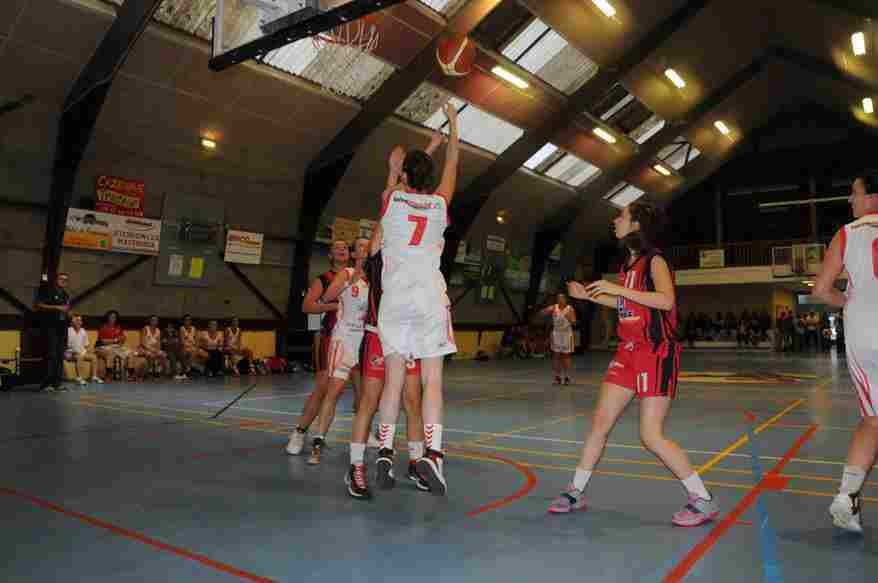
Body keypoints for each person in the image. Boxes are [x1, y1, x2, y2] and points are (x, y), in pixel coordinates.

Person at [549, 200, 719, 527]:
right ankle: (575, 491)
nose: (615, 220)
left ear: (637, 224)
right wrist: (588, 296)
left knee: (650, 435)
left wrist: (614, 288)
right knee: (600, 422)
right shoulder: (628, 264)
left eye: (622, 216)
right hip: (627, 351)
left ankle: (703, 499)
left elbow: (665, 301)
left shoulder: (655, 261)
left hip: (656, 352)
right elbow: (627, 305)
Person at [375, 103, 459, 496]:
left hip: (395, 299)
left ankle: (384, 452)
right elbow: (451, 165)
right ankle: (434, 455)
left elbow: (401, 179)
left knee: (393, 381)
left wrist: (399, 165)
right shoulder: (440, 203)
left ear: (404, 176)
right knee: (432, 380)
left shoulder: (391, 199)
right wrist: (452, 129)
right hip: (429, 298)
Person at [813, 174, 878, 533]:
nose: (850, 200)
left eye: (855, 194)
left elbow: (822, 290)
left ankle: (847, 497)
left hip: (864, 334)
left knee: (873, 419)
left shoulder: (847, 233)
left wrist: (850, 302)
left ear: (873, 197)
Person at [304, 237, 373, 465]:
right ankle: (318, 442)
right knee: (333, 391)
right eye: (361, 245)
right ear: (354, 254)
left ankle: (362, 441)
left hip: (365, 341)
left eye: (368, 245)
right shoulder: (346, 273)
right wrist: (348, 282)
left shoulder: (375, 278)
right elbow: (326, 297)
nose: (365, 248)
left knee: (366, 395)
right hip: (344, 340)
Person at [285, 240, 350, 454]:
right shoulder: (324, 279)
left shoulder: (357, 278)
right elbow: (307, 306)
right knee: (323, 388)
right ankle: (299, 432)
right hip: (331, 337)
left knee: (365, 389)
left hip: (355, 339)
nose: (342, 249)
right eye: (337, 248)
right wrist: (336, 306)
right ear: (330, 256)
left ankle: (365, 433)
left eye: (345, 247)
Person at [35, 272, 72, 392]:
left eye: (66, 280)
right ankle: (46, 384)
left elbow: (66, 308)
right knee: (51, 355)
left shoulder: (65, 295)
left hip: (62, 327)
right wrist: (57, 307)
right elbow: (39, 305)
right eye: (61, 279)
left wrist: (69, 314)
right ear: (56, 280)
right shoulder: (48, 291)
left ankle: (57, 383)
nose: (63, 281)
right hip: (50, 327)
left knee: (60, 356)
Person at [540, 292, 576, 385]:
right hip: (556, 334)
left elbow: (574, 322)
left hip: (567, 334)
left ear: (565, 300)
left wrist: (569, 318)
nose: (560, 300)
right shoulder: (554, 307)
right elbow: (542, 313)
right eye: (558, 298)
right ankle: (557, 377)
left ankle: (567, 377)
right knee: (556, 355)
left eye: (562, 298)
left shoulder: (570, 309)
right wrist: (545, 311)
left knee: (566, 355)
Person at [65, 314, 104, 385]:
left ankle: (94, 377)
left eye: (80, 320)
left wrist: (90, 351)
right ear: (72, 322)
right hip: (69, 353)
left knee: (94, 357)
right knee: (79, 356)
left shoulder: (83, 331)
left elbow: (86, 345)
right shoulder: (67, 331)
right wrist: (73, 352)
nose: (79, 322)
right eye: (77, 320)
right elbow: (65, 345)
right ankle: (79, 378)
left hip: (81, 352)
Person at [96, 310, 132, 381]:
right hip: (102, 347)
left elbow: (122, 339)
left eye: (114, 317)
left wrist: (122, 340)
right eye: (111, 317)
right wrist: (115, 340)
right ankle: (108, 375)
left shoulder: (118, 327)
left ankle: (131, 374)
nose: (113, 319)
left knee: (130, 353)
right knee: (110, 354)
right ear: (107, 318)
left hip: (115, 347)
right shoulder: (103, 327)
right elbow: (103, 341)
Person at [136, 315, 167, 379]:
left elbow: (158, 343)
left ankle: (158, 371)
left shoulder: (158, 330)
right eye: (153, 320)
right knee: (150, 355)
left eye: (156, 320)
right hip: (144, 348)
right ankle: (148, 372)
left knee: (163, 354)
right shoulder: (145, 329)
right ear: (149, 321)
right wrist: (151, 350)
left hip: (154, 349)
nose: (154, 321)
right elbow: (142, 343)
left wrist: (157, 350)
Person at [179, 314, 198, 379]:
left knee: (193, 351)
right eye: (186, 320)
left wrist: (195, 347)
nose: (188, 321)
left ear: (191, 321)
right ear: (183, 321)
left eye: (189, 320)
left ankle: (188, 370)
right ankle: (186, 371)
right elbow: (182, 341)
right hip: (185, 346)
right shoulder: (182, 328)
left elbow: (196, 340)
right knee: (184, 352)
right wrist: (187, 347)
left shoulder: (194, 328)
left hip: (193, 347)